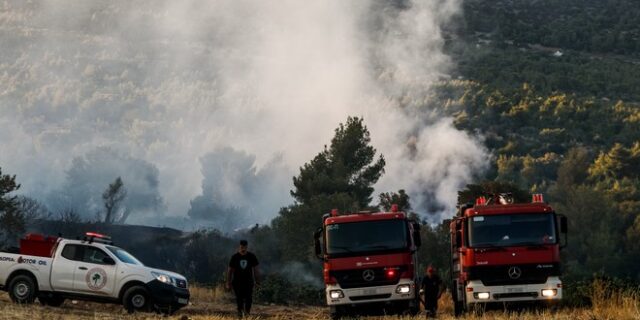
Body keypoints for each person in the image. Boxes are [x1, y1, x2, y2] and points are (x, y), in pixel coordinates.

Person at [226, 240, 260, 318]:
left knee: (249, 299)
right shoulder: (234, 257)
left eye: (244, 247)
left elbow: (256, 270)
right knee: (239, 299)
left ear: (247, 247)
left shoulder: (252, 256)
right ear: (239, 247)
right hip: (237, 282)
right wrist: (228, 283)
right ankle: (240, 315)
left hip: (248, 282)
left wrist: (257, 281)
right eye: (242, 247)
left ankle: (247, 314)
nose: (243, 249)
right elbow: (230, 271)